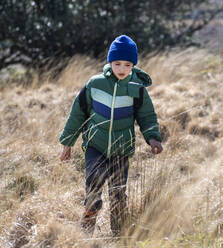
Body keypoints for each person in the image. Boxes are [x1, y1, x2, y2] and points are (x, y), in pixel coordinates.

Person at [59, 34, 163, 236]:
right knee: (95, 180)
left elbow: (147, 116)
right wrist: (67, 142)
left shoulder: (137, 89)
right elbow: (78, 113)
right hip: (95, 145)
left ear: (133, 65)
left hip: (121, 148)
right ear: (110, 62)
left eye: (127, 64)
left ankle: (118, 233)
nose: (122, 69)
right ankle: (88, 222)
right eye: (117, 63)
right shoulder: (95, 84)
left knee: (118, 191)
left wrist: (153, 137)